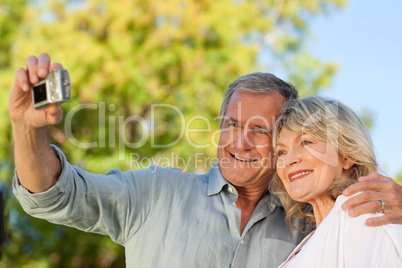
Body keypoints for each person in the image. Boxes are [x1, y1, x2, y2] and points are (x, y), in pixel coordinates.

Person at [10, 53, 402, 267]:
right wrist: (27, 129)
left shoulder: (310, 225)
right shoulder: (156, 193)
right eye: (231, 124)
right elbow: (54, 194)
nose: (239, 142)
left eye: (260, 131)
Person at [271, 96, 402, 267]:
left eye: (305, 142)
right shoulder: (318, 237)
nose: (288, 160)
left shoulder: (362, 221)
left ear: (347, 155)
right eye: (281, 152)